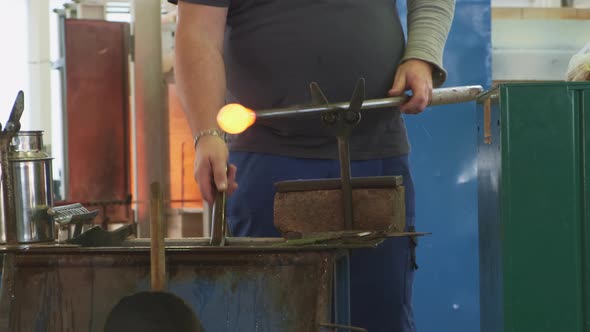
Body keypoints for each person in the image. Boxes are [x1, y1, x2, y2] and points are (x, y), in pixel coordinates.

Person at [171, 0, 454, 330]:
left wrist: (422, 52)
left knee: (380, 315)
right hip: (270, 156)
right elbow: (198, 31)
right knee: (273, 314)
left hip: (376, 154)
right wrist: (207, 134)